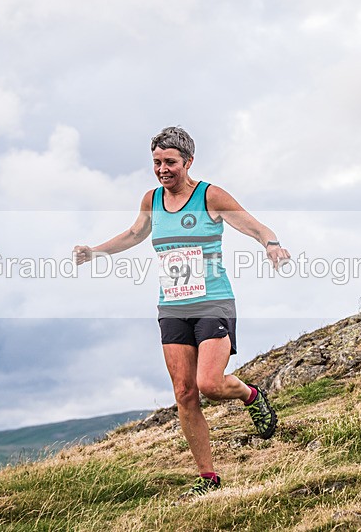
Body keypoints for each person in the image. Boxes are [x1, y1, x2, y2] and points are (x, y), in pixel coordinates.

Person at [73, 126, 290, 498]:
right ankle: (208, 477)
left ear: (188, 162)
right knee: (185, 392)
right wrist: (95, 252)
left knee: (209, 383)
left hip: (213, 302)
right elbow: (133, 234)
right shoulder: (151, 199)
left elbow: (253, 225)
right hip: (172, 306)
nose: (162, 169)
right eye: (156, 162)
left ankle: (250, 395)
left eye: (170, 162)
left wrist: (271, 244)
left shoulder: (210, 195)